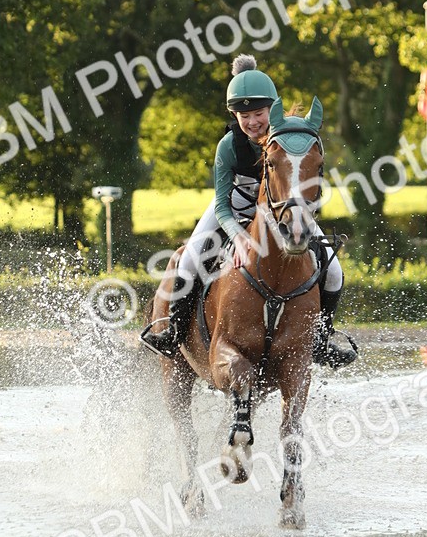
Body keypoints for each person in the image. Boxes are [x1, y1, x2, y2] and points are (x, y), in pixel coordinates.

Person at [143, 54, 357, 367]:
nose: (252, 122)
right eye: (244, 116)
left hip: (283, 213)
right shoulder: (229, 146)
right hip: (233, 208)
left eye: (258, 113)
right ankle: (174, 331)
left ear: (273, 110)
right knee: (189, 258)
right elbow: (221, 203)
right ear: (234, 115)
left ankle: (321, 338)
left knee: (334, 270)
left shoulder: (290, 139)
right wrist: (238, 236)